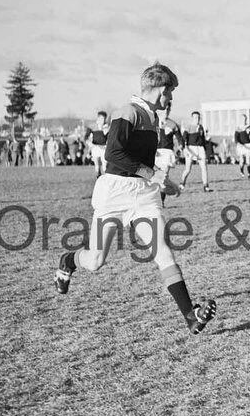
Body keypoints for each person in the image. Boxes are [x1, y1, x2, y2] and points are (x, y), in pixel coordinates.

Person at [54, 62, 217, 334]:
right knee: (95, 261)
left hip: (143, 195)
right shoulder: (127, 112)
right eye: (171, 92)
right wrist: (152, 174)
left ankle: (191, 315)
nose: (172, 98)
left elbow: (141, 161)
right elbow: (114, 155)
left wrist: (165, 182)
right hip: (115, 192)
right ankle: (68, 261)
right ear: (161, 90)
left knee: (162, 250)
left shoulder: (152, 117)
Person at [155, 102, 182, 205]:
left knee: (163, 177)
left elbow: (180, 139)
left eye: (168, 109)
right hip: (155, 153)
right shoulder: (153, 122)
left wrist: (180, 148)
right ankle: (174, 187)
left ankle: (161, 202)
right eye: (164, 109)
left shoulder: (173, 124)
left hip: (167, 153)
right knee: (155, 178)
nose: (166, 111)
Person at [180, 111, 213, 192]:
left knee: (204, 168)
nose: (197, 119)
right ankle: (182, 182)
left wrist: (205, 150)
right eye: (195, 117)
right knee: (188, 169)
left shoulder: (201, 127)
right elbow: (184, 138)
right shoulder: (189, 127)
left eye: (198, 117)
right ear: (192, 118)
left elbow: (203, 140)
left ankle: (206, 186)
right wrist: (184, 149)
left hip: (200, 149)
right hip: (191, 148)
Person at [234, 113, 250, 181]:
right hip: (241, 145)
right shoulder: (238, 128)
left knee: (248, 160)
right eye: (242, 119)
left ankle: (249, 174)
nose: (243, 120)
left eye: (244, 119)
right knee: (242, 160)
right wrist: (238, 143)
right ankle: (242, 172)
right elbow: (236, 137)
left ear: (246, 119)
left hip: (248, 145)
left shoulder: (248, 127)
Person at [87, 111, 111, 177]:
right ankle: (98, 177)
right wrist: (89, 144)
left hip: (104, 148)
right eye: (101, 118)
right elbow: (86, 138)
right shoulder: (92, 127)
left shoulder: (107, 127)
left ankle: (105, 177)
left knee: (104, 164)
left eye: (104, 119)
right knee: (97, 165)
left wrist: (105, 131)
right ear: (98, 118)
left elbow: (109, 138)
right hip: (95, 147)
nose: (102, 120)